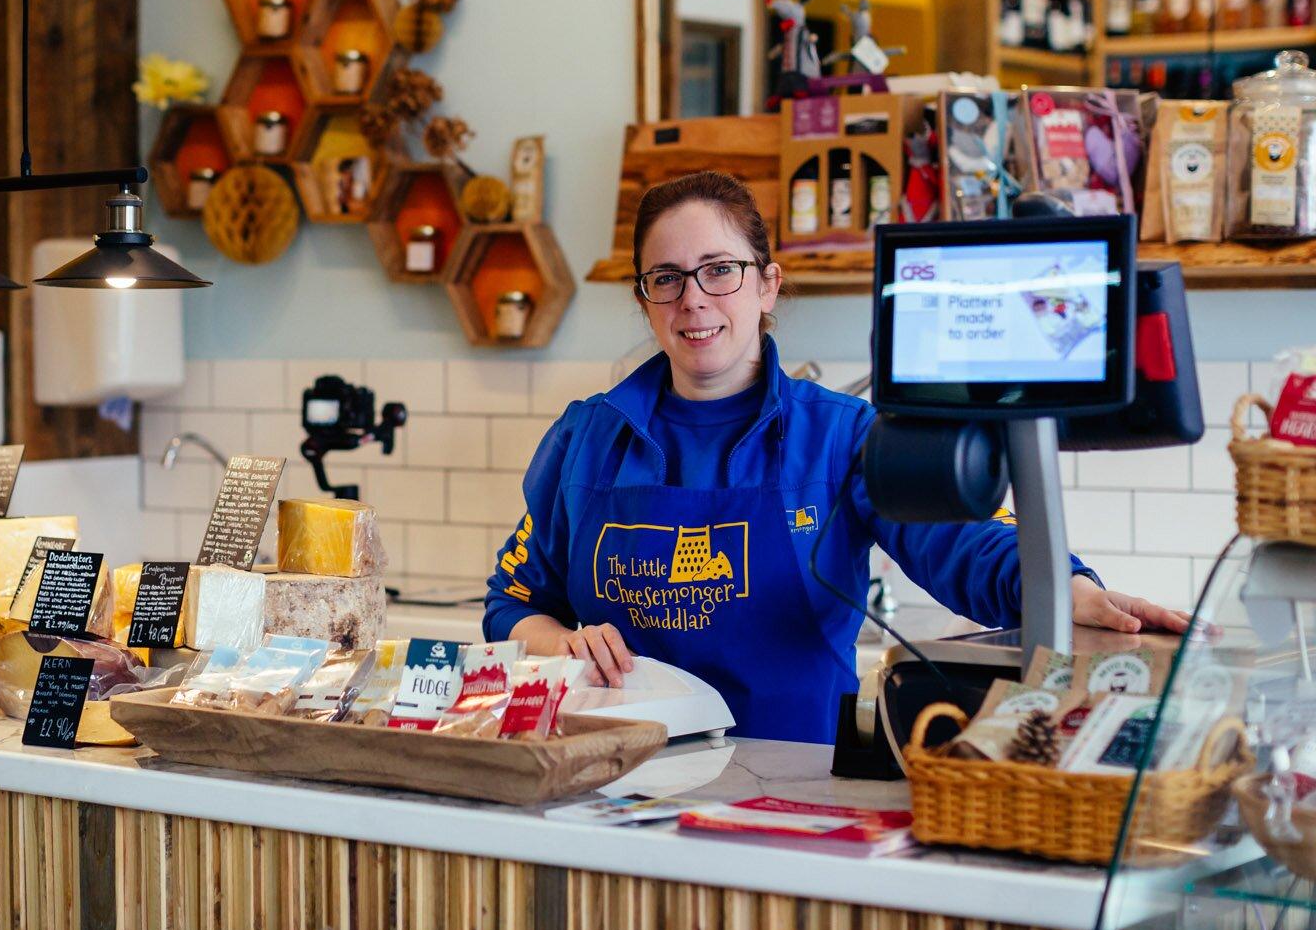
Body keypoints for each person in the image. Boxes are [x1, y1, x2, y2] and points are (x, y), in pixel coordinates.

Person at [482, 170, 1189, 743]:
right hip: (609, 780)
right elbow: (513, 602)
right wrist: (560, 643)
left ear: (767, 284)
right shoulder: (587, 439)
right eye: (666, 278)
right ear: (645, 300)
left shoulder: (844, 435)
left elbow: (966, 546)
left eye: (719, 270)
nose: (692, 299)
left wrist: (1076, 592)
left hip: (791, 785)